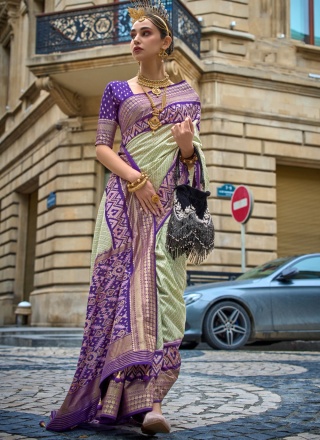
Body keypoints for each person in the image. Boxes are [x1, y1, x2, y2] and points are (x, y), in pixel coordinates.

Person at [46, 0, 210, 435]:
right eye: (132, 34)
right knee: (130, 297)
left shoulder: (188, 96)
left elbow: (194, 165)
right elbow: (102, 146)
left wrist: (188, 145)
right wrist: (137, 180)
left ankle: (153, 397)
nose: (135, 40)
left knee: (166, 296)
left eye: (144, 33)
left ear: (165, 42)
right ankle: (143, 404)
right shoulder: (117, 91)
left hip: (168, 211)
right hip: (126, 205)